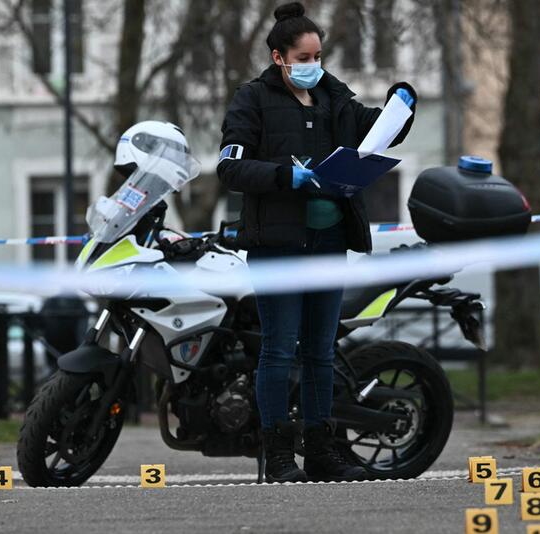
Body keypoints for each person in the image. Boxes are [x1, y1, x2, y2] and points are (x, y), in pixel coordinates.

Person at [217, 1, 417, 483]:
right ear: (279, 57)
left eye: (318, 56)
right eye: (304, 57)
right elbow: (230, 167)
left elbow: (376, 131)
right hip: (277, 246)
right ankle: (279, 455)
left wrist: (402, 103)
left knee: (320, 351)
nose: (313, 66)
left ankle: (323, 450)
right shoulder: (252, 99)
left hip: (328, 241)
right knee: (280, 348)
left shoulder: (333, 95)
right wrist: (287, 175)